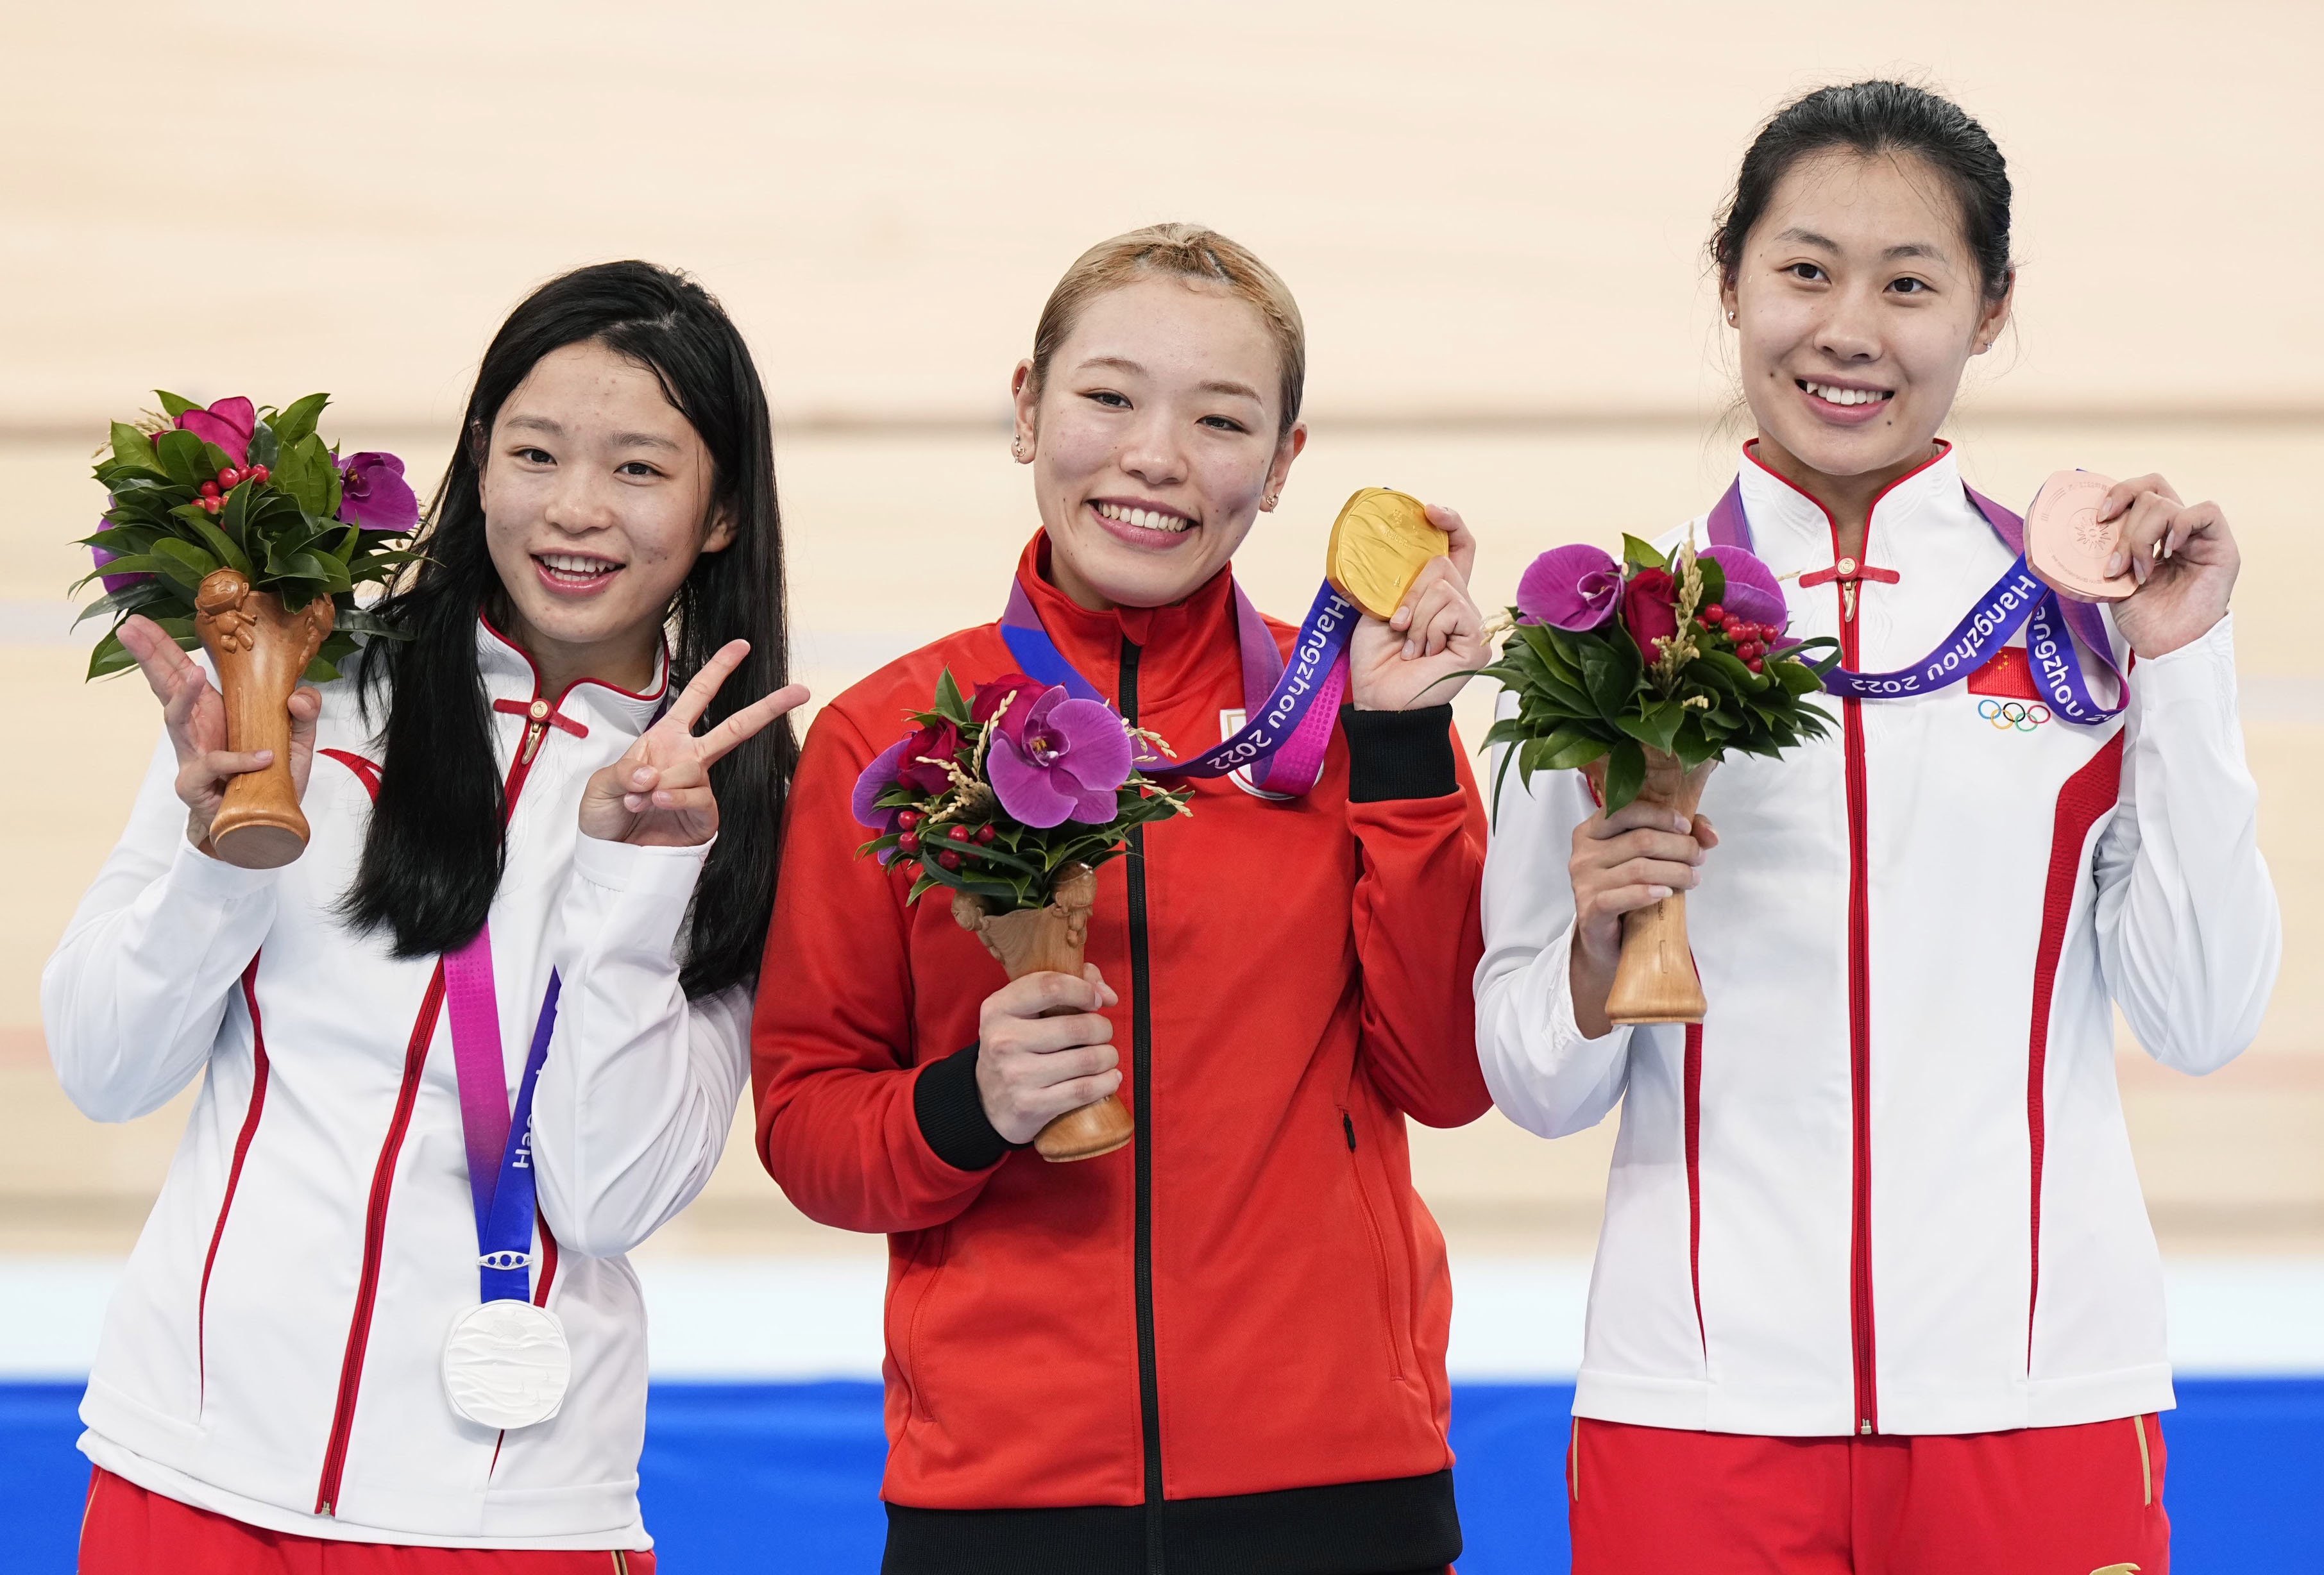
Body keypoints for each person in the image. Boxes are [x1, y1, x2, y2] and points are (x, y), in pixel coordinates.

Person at [1475, 80, 2281, 1574]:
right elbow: (1533, 1082)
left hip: (2039, 1398)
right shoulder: (1597, 652)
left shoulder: (2090, 634)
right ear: (1730, 283)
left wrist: (2183, 660)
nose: (1848, 328)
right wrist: (1594, 949)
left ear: (1989, 311)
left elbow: (2205, 1011)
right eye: (1803, 270)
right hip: (1695, 1410)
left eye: (1909, 282)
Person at [45, 260, 806, 1570]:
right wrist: (221, 847)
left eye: (639, 469)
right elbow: (106, 1067)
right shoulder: (303, 689)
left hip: (510, 1517)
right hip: (188, 1477)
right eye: (534, 452)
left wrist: (631, 884)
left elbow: (612, 1195)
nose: (575, 509)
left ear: (722, 509)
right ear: (478, 461)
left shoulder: (743, 799)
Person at [754, 223, 1493, 1572]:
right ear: (1028, 408)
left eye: (1221, 420)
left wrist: (1401, 744)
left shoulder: (1349, 728)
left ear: (1281, 467)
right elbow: (807, 1125)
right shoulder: (890, 739)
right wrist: (965, 1103)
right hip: (1003, 1500)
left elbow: (1447, 1075)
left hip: (1338, 1488)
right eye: (1109, 396)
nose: (1157, 455)